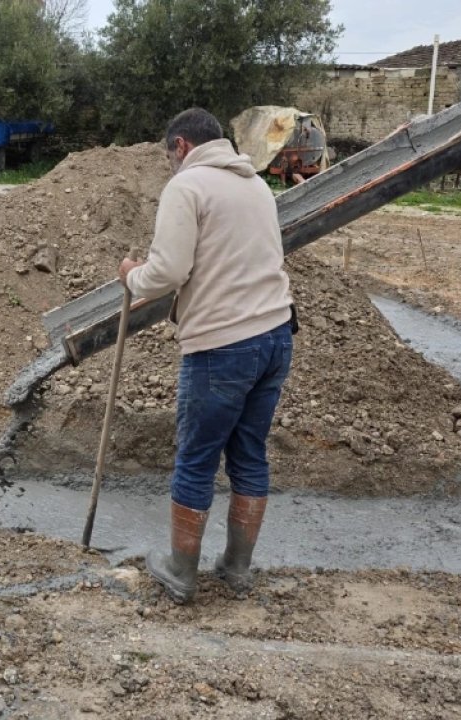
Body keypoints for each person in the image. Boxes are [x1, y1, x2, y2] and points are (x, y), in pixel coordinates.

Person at [119, 108, 294, 604]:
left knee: (196, 459)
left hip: (223, 343)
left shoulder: (188, 186)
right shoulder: (255, 183)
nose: (170, 167)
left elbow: (169, 271)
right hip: (277, 334)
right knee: (248, 454)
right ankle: (237, 569)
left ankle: (180, 570)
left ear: (180, 146)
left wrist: (132, 274)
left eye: (168, 157)